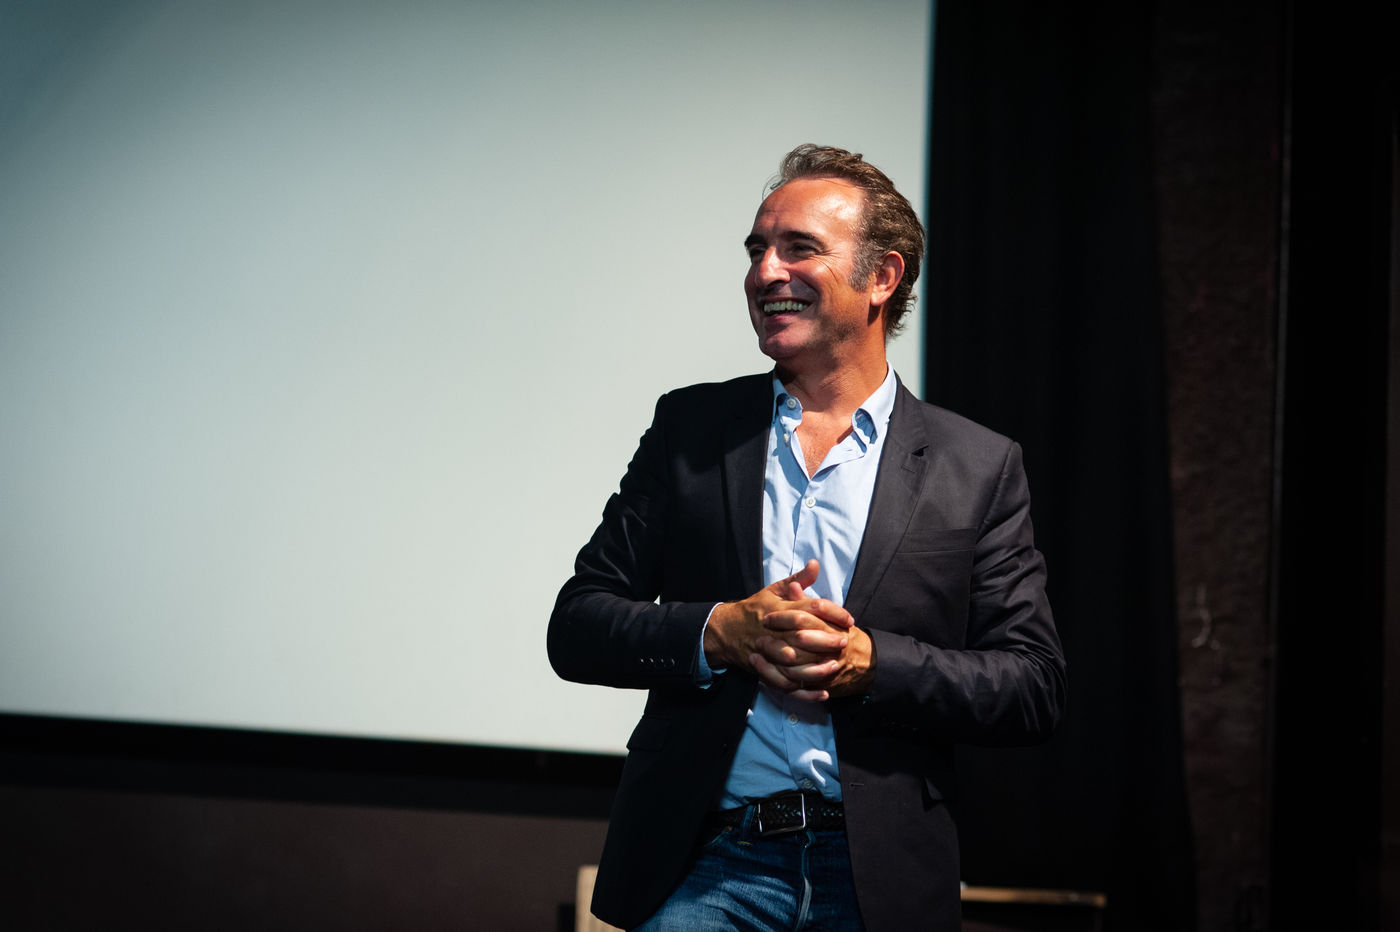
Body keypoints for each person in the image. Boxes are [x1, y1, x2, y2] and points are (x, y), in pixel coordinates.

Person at [547, 144, 1066, 932]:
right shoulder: (693, 430)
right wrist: (720, 631)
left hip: (879, 872)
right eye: (757, 250)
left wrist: (873, 664)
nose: (765, 272)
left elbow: (1031, 684)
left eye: (798, 248)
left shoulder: (977, 465)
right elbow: (578, 624)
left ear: (882, 277)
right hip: (708, 859)